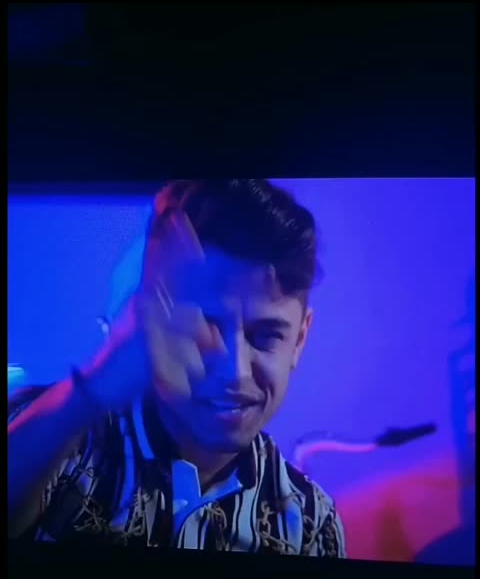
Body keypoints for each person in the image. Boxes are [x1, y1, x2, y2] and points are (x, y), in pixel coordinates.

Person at [8, 179, 346, 556]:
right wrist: (93, 391)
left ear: (299, 340)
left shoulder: (312, 522)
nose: (234, 372)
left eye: (266, 336)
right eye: (207, 326)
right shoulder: (62, 441)